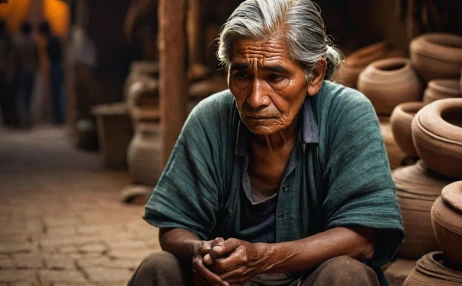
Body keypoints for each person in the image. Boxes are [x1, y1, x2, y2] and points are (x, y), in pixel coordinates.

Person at [129, 0, 404, 285]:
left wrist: (262, 258)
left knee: (346, 275)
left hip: (309, 280)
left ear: (315, 75)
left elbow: (362, 239)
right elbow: (175, 227)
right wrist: (200, 251)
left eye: (275, 77)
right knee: (158, 267)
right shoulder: (210, 117)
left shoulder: (346, 114)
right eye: (242, 75)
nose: (255, 99)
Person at [13, 22, 39, 128]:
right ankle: (27, 120)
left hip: (21, 72)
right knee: (29, 97)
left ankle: (21, 120)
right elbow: (37, 57)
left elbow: (15, 58)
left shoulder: (18, 42)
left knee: (20, 97)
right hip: (31, 71)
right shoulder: (33, 41)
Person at [38, 21, 65, 125]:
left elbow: (53, 55)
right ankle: (58, 118)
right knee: (57, 94)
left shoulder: (51, 40)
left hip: (55, 67)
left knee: (56, 94)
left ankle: (58, 119)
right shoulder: (55, 38)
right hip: (57, 67)